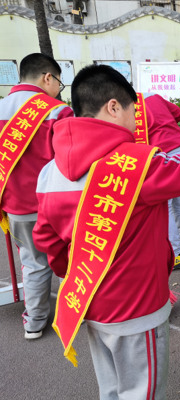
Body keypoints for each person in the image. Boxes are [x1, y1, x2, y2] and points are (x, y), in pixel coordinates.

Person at [33, 64, 180, 399]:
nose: (135, 121)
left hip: (90, 303)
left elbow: (48, 242)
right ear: (113, 106)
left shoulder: (49, 172)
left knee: (112, 390)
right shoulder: (135, 164)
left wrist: (79, 274)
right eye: (132, 111)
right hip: (138, 311)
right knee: (141, 392)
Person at [0, 53, 73, 340]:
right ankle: (74, 316)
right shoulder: (56, 111)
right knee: (68, 258)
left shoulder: (1, 107)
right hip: (53, 204)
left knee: (32, 262)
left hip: (14, 206)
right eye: (59, 82)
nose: (58, 89)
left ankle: (34, 322)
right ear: (47, 78)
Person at [139, 93, 180, 269]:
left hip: (163, 153)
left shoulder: (125, 106)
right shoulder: (152, 96)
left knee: (166, 204)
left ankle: (177, 254)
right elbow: (178, 113)